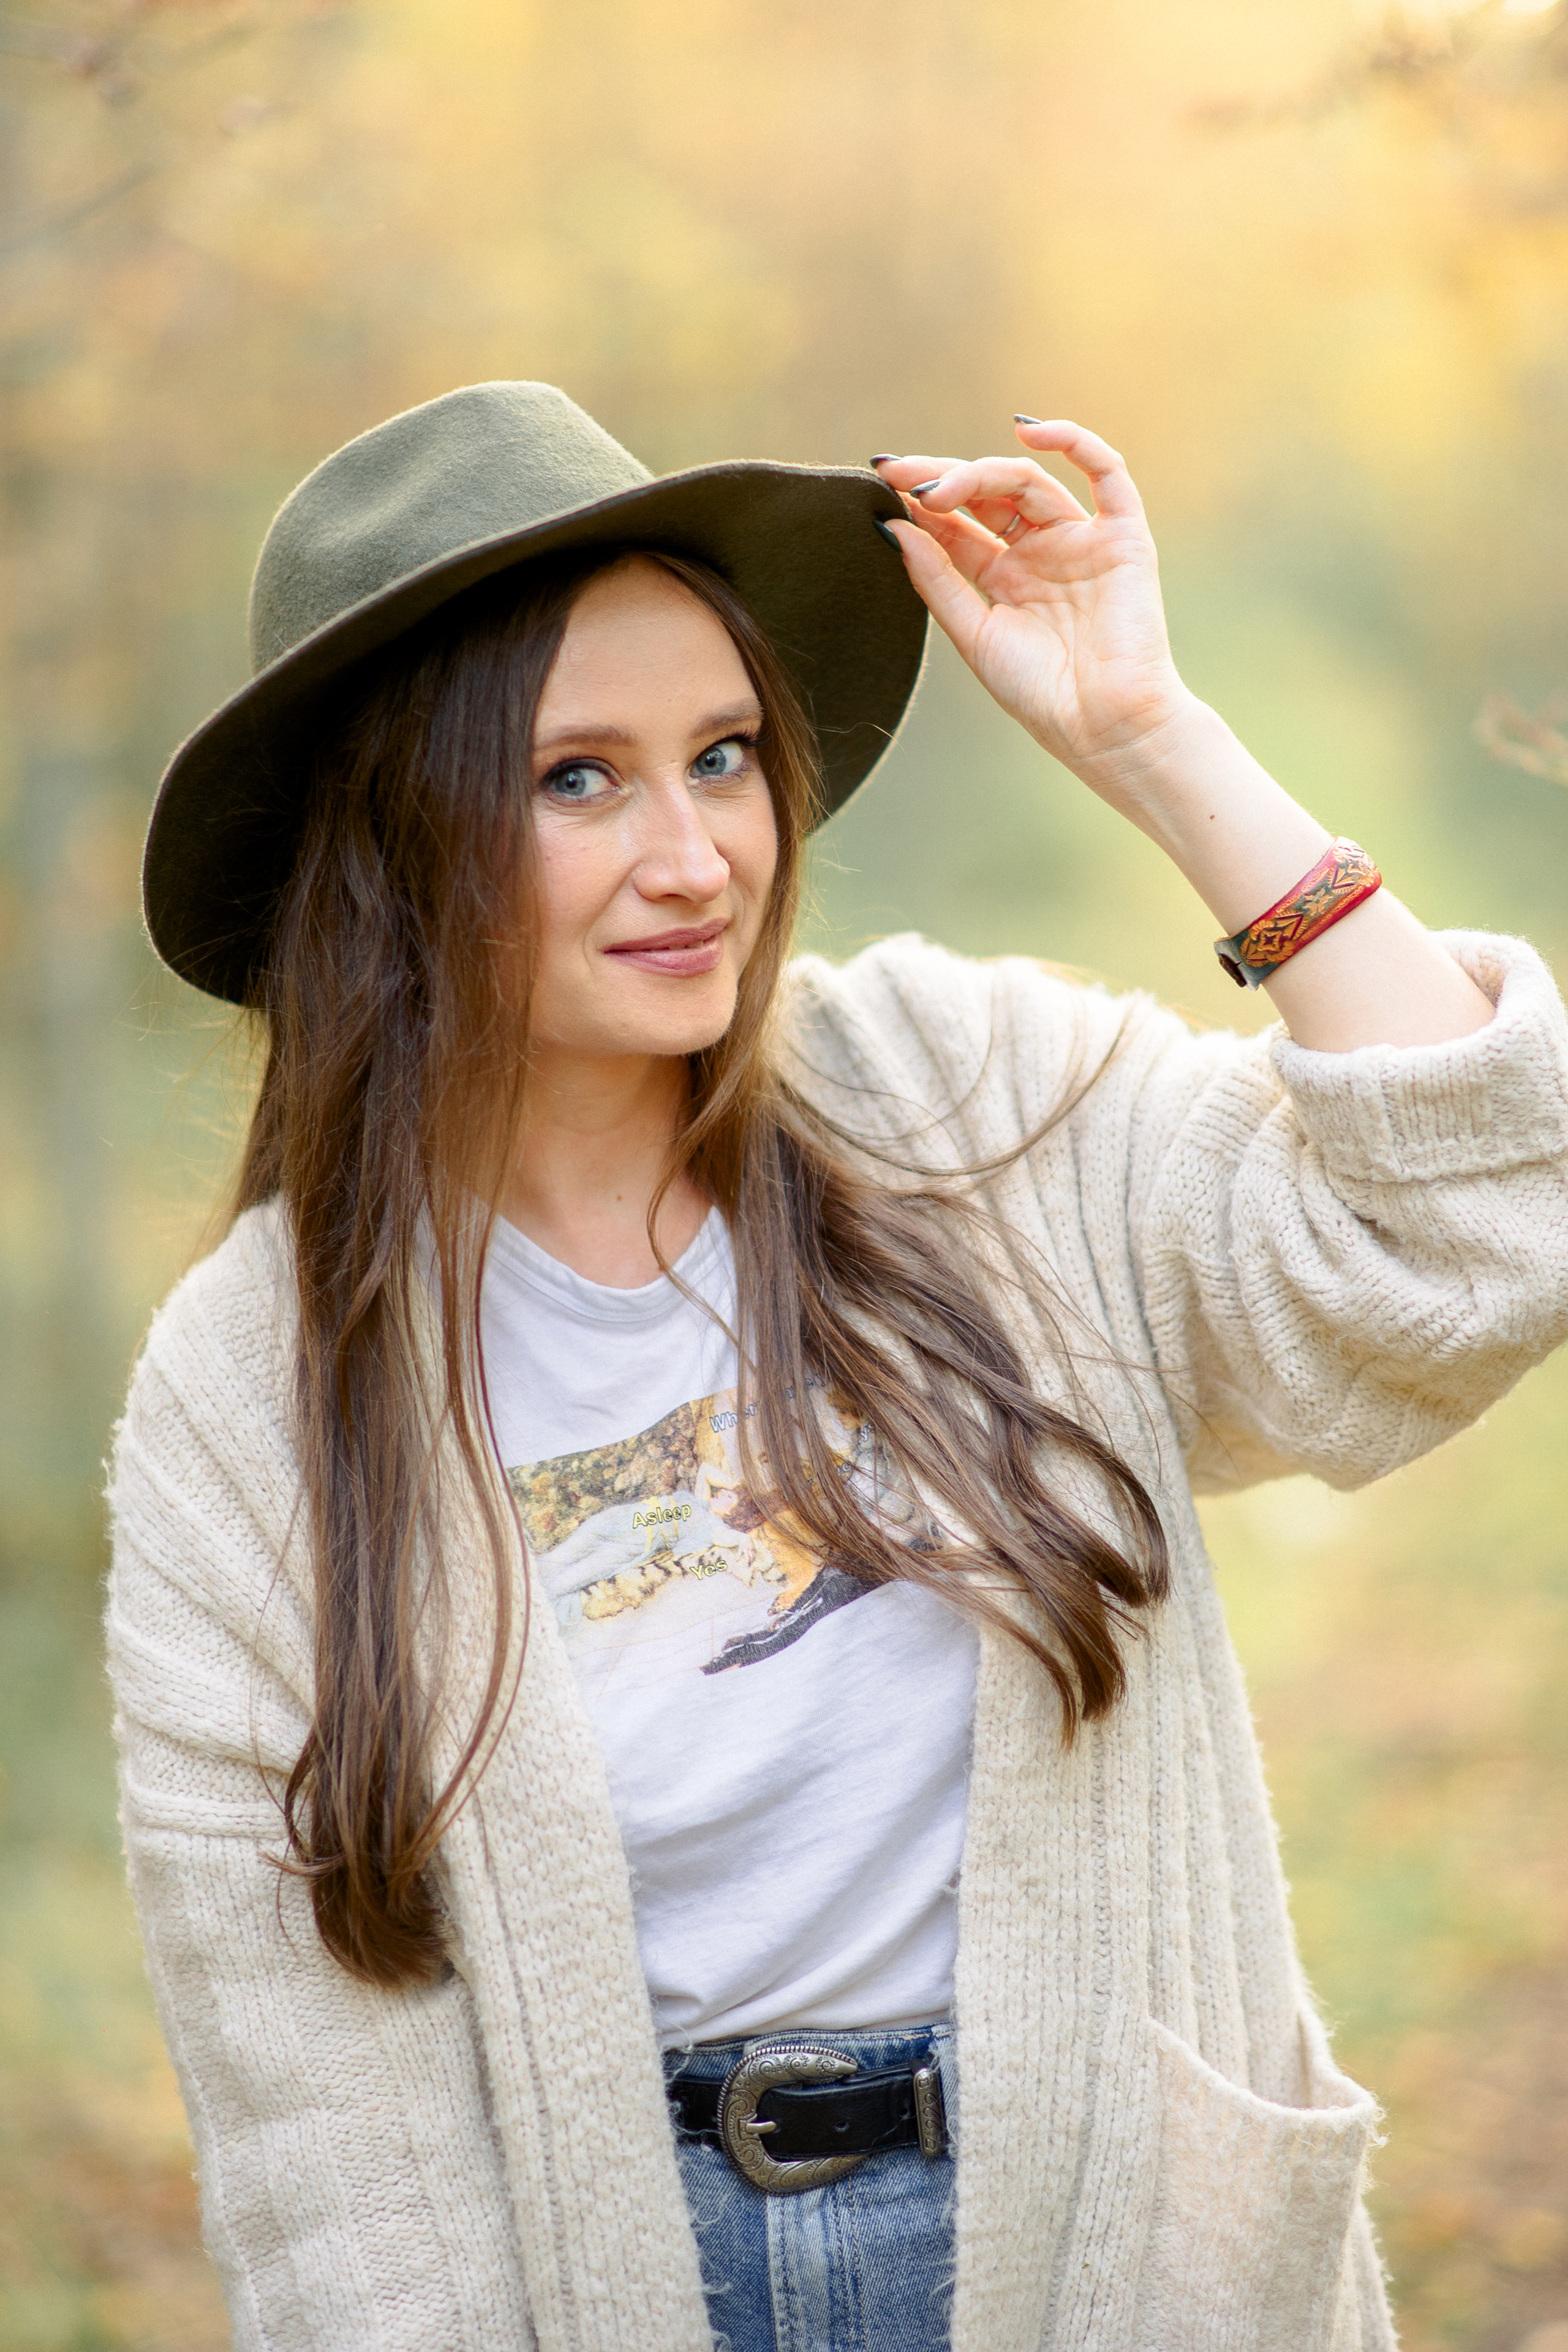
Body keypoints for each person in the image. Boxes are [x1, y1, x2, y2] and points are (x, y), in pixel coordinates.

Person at [108, 380, 1568, 2352]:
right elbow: (333, 2156)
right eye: (576, 781)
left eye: (723, 756)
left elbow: (1479, 1234)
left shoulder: (963, 1099)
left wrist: (1155, 740)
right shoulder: (250, 1398)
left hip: (1118, 2247)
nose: (699, 853)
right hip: (624, 2291)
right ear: (390, 845)